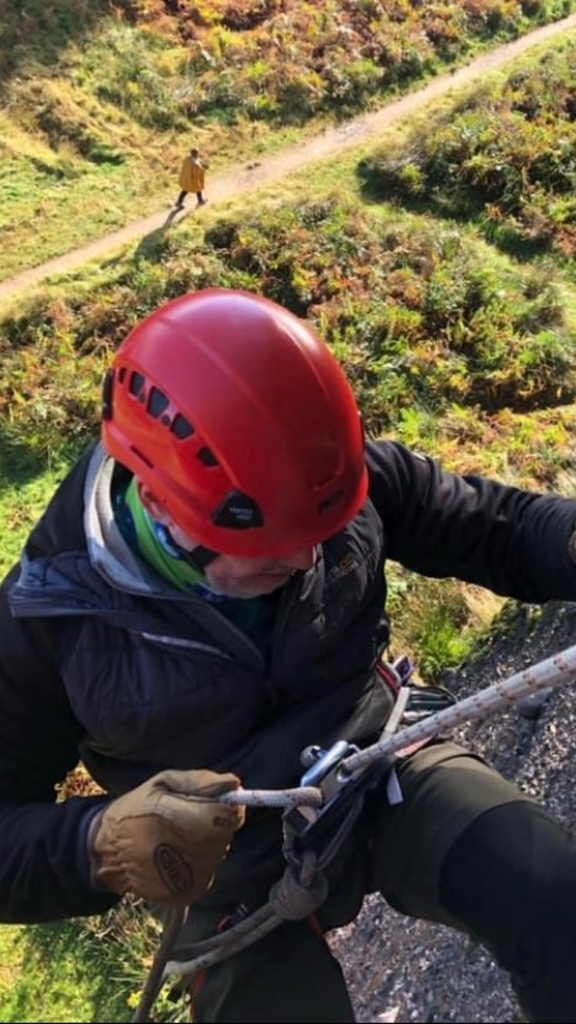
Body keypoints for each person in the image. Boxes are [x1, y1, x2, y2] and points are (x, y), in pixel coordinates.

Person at [1, 287, 576, 1024]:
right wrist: (97, 844)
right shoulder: (48, 617)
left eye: (321, 528)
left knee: (557, 902)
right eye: (271, 548)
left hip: (379, 756)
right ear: (163, 506)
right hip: (227, 871)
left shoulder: (316, 481)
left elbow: (489, 526)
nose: (309, 556)